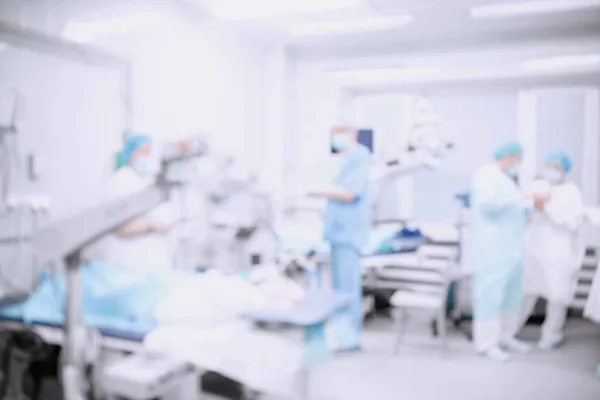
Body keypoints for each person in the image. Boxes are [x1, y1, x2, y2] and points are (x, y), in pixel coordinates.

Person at [470, 141, 546, 362]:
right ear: (508, 156)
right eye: (518, 159)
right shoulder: (485, 175)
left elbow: (517, 213)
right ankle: (486, 343)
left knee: (512, 297)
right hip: (492, 249)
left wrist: (532, 205)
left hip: (513, 249)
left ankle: (506, 337)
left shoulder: (508, 181)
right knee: (490, 297)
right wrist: (521, 198)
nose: (519, 164)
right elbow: (487, 205)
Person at [307, 124, 372, 352]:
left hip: (348, 232)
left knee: (346, 288)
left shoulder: (360, 156)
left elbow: (350, 193)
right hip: (339, 231)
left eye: (340, 133)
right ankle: (341, 333)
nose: (336, 139)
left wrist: (316, 191)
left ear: (352, 134)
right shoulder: (347, 159)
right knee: (340, 287)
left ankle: (349, 338)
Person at [518, 152, 584, 350]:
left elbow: (572, 224)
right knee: (525, 291)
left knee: (557, 295)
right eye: (549, 166)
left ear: (564, 170)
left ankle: (552, 334)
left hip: (559, 252)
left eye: (556, 168)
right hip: (534, 248)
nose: (551, 172)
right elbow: (523, 216)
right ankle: (509, 332)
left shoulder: (572, 192)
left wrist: (547, 207)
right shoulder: (538, 186)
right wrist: (530, 205)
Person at [104, 135, 175, 273]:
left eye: (149, 152)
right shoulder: (120, 180)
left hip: (152, 267)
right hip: (129, 264)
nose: (147, 157)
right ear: (130, 154)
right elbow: (115, 226)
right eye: (142, 152)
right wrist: (150, 225)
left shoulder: (146, 181)